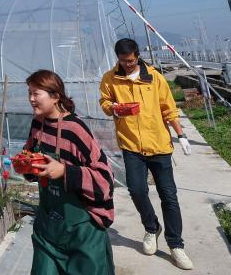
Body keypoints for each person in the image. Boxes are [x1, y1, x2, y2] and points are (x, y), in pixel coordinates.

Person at [99, 38, 194, 271]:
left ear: (138, 55)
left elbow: (169, 109)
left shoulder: (154, 78)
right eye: (124, 61)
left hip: (159, 145)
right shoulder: (110, 79)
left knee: (168, 195)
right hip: (131, 145)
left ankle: (176, 244)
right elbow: (105, 102)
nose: (128, 64)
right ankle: (152, 227)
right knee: (137, 190)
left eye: (131, 60)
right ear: (118, 58)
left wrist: (181, 135)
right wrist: (114, 109)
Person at [24, 69, 115, 275]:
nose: (31, 99)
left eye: (36, 93)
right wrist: (27, 166)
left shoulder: (75, 129)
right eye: (29, 93)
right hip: (48, 229)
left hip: (82, 232)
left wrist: (65, 171)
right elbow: (29, 156)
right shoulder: (38, 125)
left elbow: (105, 181)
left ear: (55, 96)